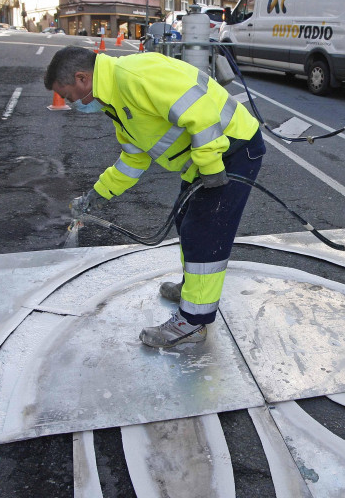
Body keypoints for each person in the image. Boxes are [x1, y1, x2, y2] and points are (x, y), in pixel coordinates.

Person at [44, 47, 265, 349]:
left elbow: (200, 112)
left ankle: (194, 321)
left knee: (204, 231)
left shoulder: (135, 76)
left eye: (68, 95)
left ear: (82, 78)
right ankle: (194, 290)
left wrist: (212, 167)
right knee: (185, 219)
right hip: (207, 159)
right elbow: (133, 160)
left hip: (232, 150)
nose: (70, 104)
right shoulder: (115, 101)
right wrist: (97, 194)